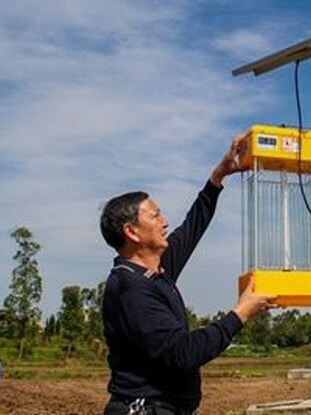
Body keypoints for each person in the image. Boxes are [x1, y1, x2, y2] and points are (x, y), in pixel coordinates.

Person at [100, 137, 276, 415]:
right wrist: (241, 313)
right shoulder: (130, 288)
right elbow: (183, 354)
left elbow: (193, 225)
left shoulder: (157, 269)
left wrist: (218, 177)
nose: (165, 222)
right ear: (131, 232)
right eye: (155, 216)